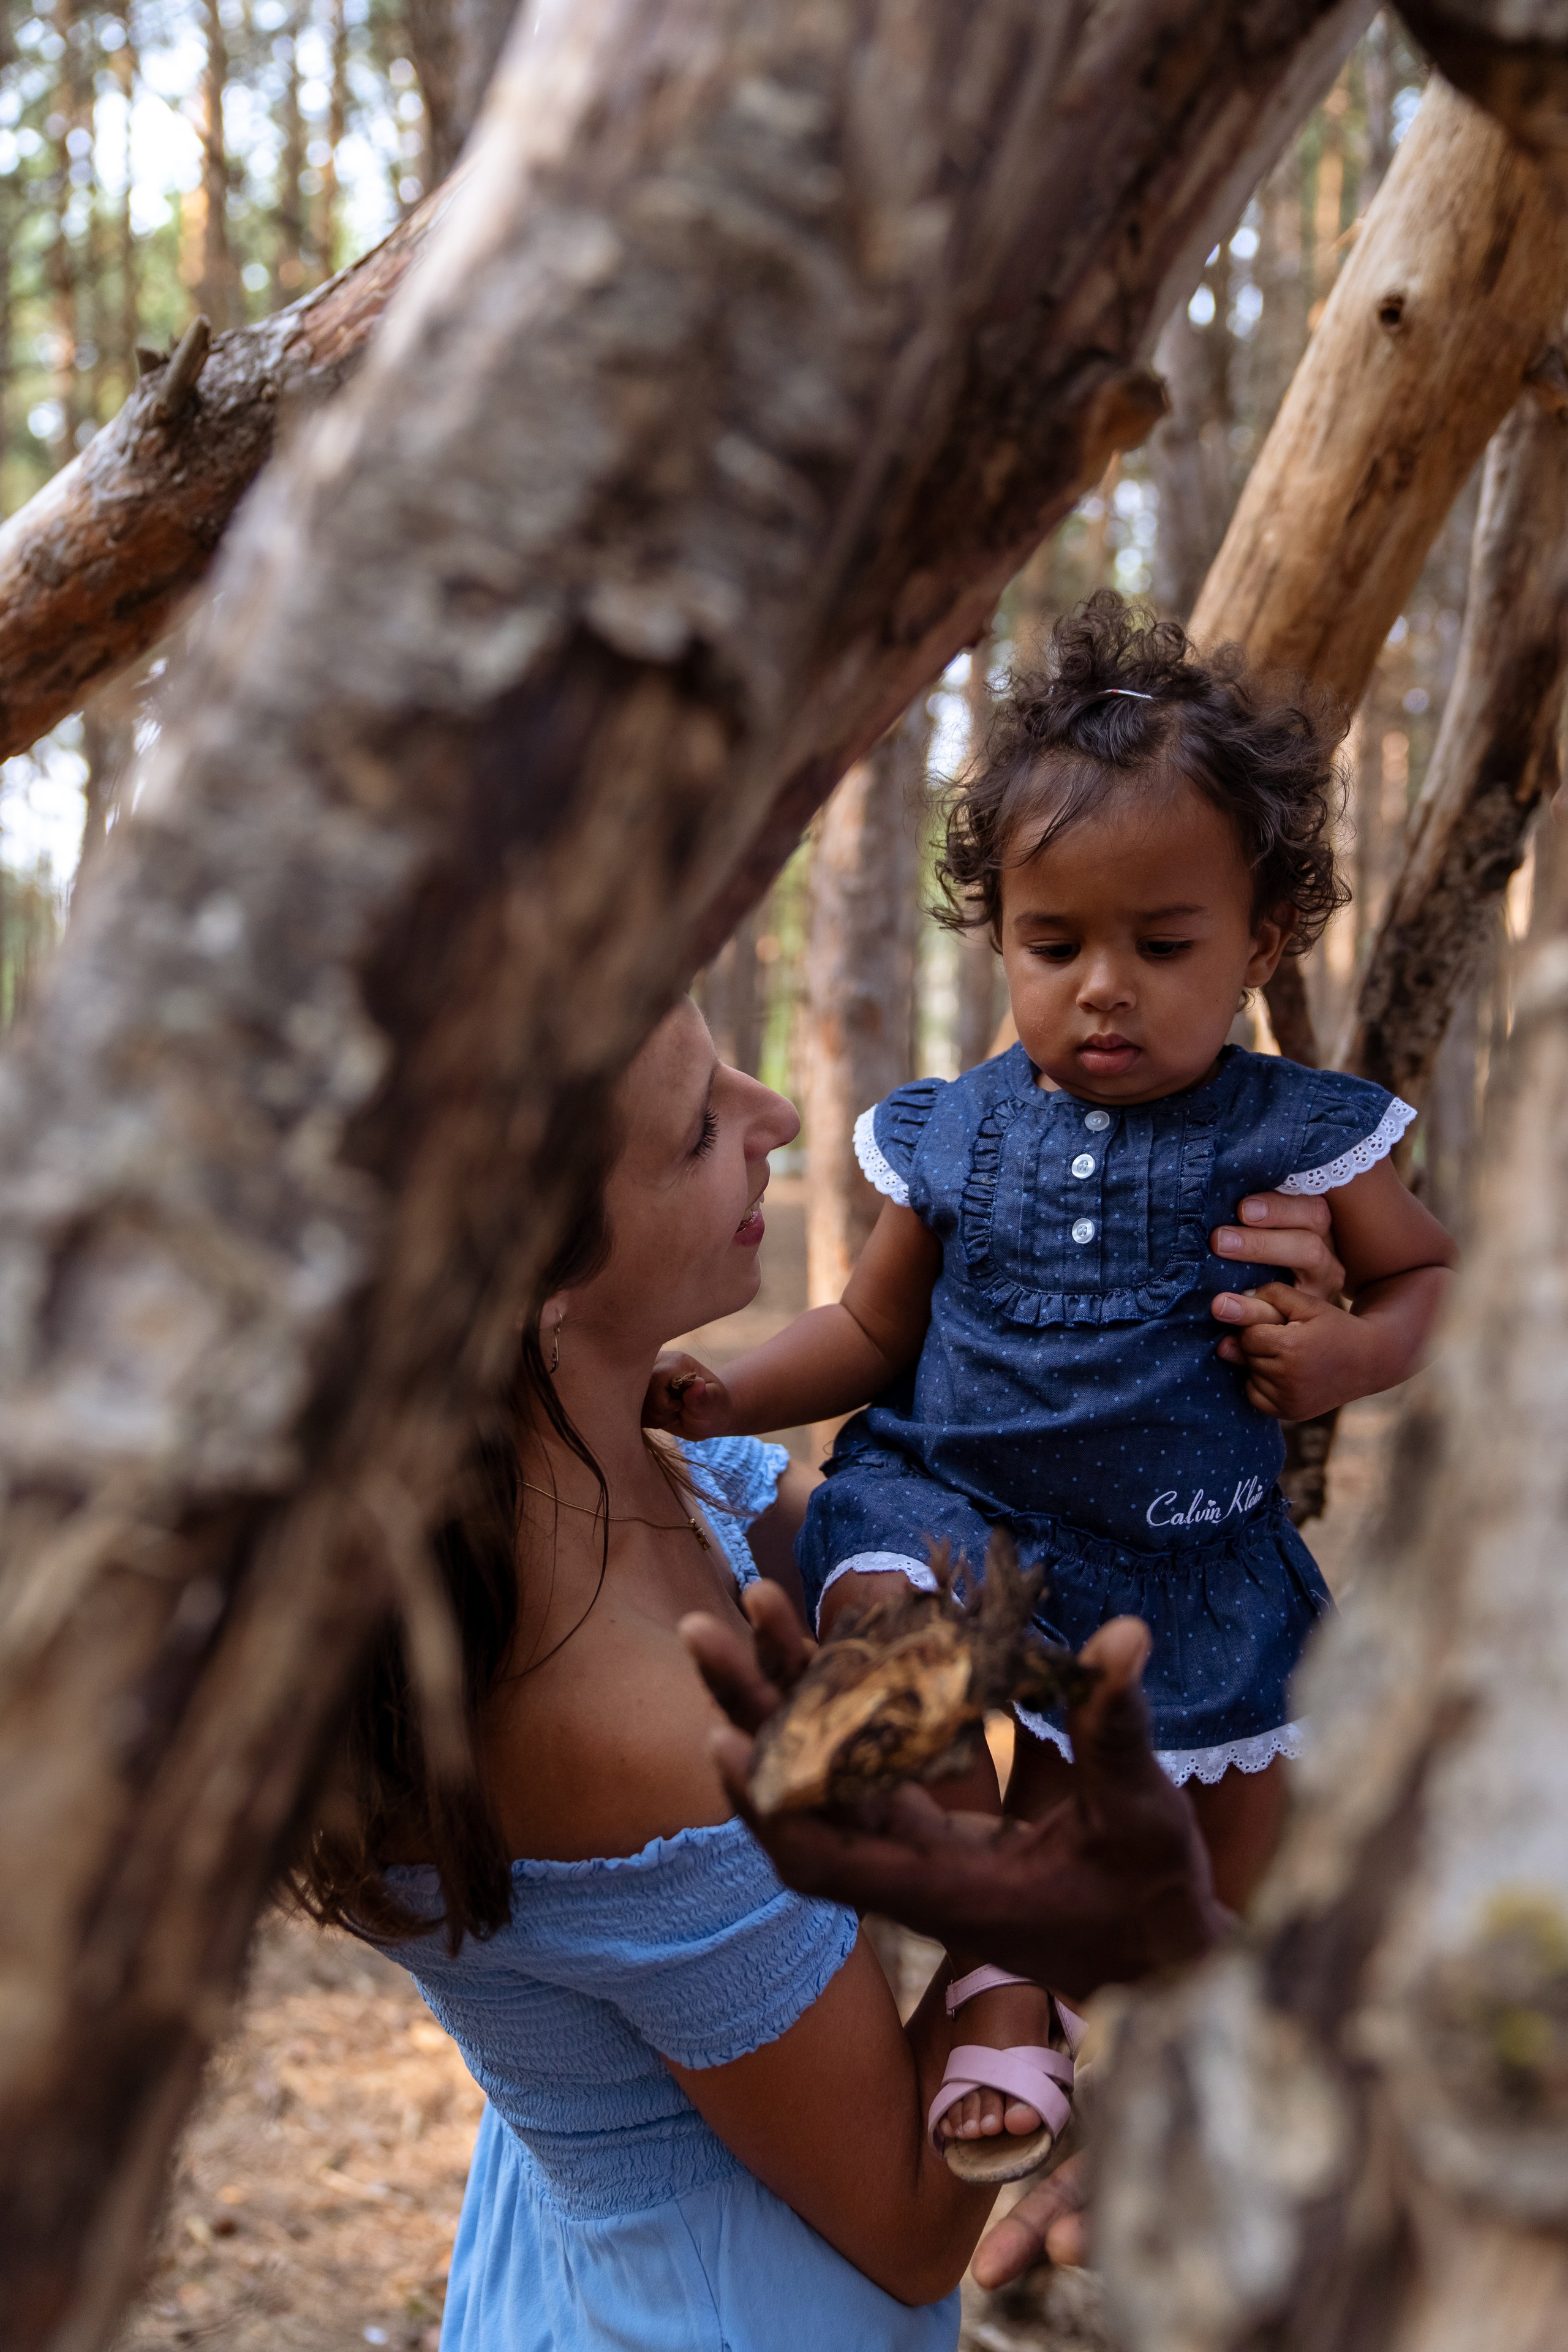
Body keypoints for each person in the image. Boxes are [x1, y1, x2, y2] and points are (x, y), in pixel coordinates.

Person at [647, 592, 1458, 2174]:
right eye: (1053, 943)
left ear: (1259, 944)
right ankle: (938, 1863)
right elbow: (872, 1335)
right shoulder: (957, 1133)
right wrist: (731, 1396)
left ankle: (1024, 2009)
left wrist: (1350, 1354)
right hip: (963, 1513)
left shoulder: (1297, 1131)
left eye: (1162, 948)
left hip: (1186, 1566)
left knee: (1197, 1879)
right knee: (898, 1609)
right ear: (998, 931)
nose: (1102, 987)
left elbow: (1431, 1279)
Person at [293, 999, 1016, 2352]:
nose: (778, 1120)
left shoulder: (631, 1464)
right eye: (697, 1132)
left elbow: (922, 1572)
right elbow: (916, 2217)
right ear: (532, 1271)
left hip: (597, 2255)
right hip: (729, 2306)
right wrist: (1042, 1873)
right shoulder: (625, 1720)